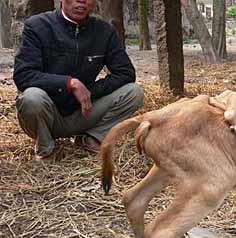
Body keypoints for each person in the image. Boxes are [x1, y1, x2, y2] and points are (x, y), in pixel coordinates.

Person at [13, 0, 144, 160]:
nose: (81, 1)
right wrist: (70, 84)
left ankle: (91, 139)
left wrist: (89, 91)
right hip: (46, 115)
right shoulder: (38, 26)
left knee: (133, 92)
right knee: (31, 97)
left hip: (84, 113)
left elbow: (125, 73)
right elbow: (23, 75)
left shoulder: (103, 31)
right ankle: (46, 150)